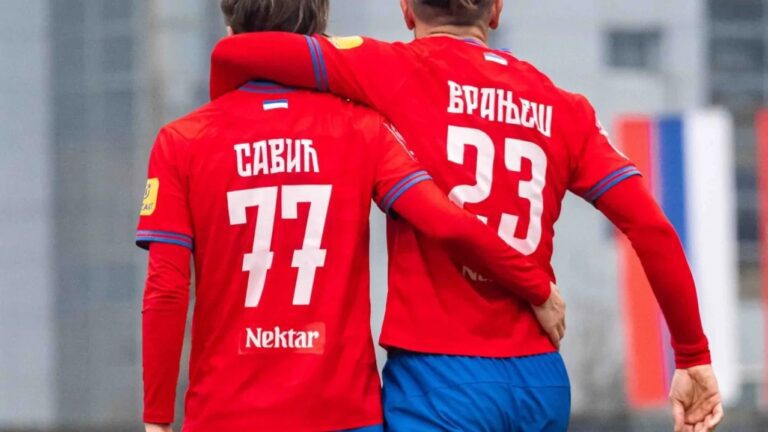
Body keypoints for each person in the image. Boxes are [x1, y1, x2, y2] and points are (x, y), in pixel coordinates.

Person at [208, 0, 725, 430]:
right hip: (539, 380)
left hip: (439, 377)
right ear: (496, 11)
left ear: (407, 10)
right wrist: (692, 355)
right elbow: (652, 229)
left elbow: (242, 51)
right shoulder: (564, 106)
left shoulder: (389, 68)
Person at [137, 1, 565, 431]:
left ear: (230, 31)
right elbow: (446, 221)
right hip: (344, 415)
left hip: (225, 416)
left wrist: (156, 420)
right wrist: (536, 287)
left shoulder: (182, 141)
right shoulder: (362, 128)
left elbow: (166, 289)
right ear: (320, 31)